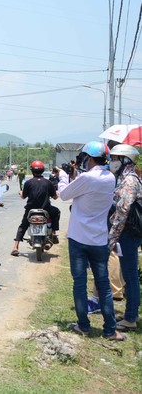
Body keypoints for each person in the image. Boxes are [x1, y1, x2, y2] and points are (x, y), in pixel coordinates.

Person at [59, 141, 126, 341]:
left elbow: (64, 194)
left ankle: (83, 325)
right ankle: (110, 330)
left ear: (89, 158)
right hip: (99, 239)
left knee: (79, 283)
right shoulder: (110, 178)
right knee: (103, 285)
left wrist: (64, 177)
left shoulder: (87, 177)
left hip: (79, 238)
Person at [106, 143, 142, 332]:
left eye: (115, 158)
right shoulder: (127, 177)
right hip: (127, 232)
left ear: (125, 159)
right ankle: (131, 313)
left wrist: (113, 234)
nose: (112, 162)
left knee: (130, 275)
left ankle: (130, 318)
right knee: (130, 274)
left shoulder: (129, 180)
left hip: (127, 233)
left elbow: (123, 210)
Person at [11, 160, 61, 256]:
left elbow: (23, 196)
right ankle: (53, 233)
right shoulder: (48, 183)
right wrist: (56, 194)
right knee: (56, 212)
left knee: (23, 225)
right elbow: (54, 197)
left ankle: (15, 247)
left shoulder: (28, 183)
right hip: (45, 210)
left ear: (32, 171)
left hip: (31, 210)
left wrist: (20, 193)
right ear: (42, 170)